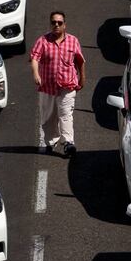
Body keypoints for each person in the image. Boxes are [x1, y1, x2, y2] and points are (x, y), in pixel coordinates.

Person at [30, 11, 85, 156]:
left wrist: (82, 78)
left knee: (66, 114)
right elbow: (34, 58)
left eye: (60, 23)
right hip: (47, 87)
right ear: (50, 24)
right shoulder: (43, 41)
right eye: (54, 22)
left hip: (67, 86)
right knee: (49, 116)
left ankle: (68, 143)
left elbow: (80, 61)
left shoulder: (73, 41)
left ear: (64, 25)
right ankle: (50, 141)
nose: (56, 25)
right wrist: (36, 74)